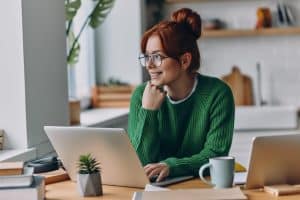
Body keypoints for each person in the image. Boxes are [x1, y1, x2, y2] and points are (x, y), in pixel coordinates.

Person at [128, 8, 235, 182]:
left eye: (157, 57)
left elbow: (216, 154)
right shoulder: (141, 96)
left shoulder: (218, 94)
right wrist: (148, 111)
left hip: (201, 188)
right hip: (155, 191)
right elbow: (139, 162)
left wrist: (172, 167)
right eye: (146, 57)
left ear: (185, 60)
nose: (149, 65)